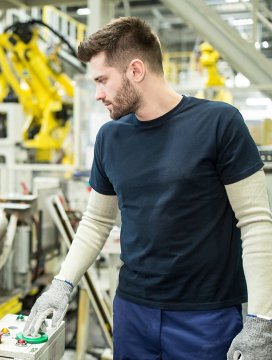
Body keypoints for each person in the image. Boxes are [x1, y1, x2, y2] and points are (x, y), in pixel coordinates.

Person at [22, 17, 272, 359]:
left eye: (102, 81)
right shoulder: (110, 138)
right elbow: (96, 222)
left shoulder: (219, 123)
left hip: (205, 316)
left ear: (136, 70)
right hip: (132, 312)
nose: (98, 94)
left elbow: (256, 222)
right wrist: (61, 285)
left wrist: (261, 320)